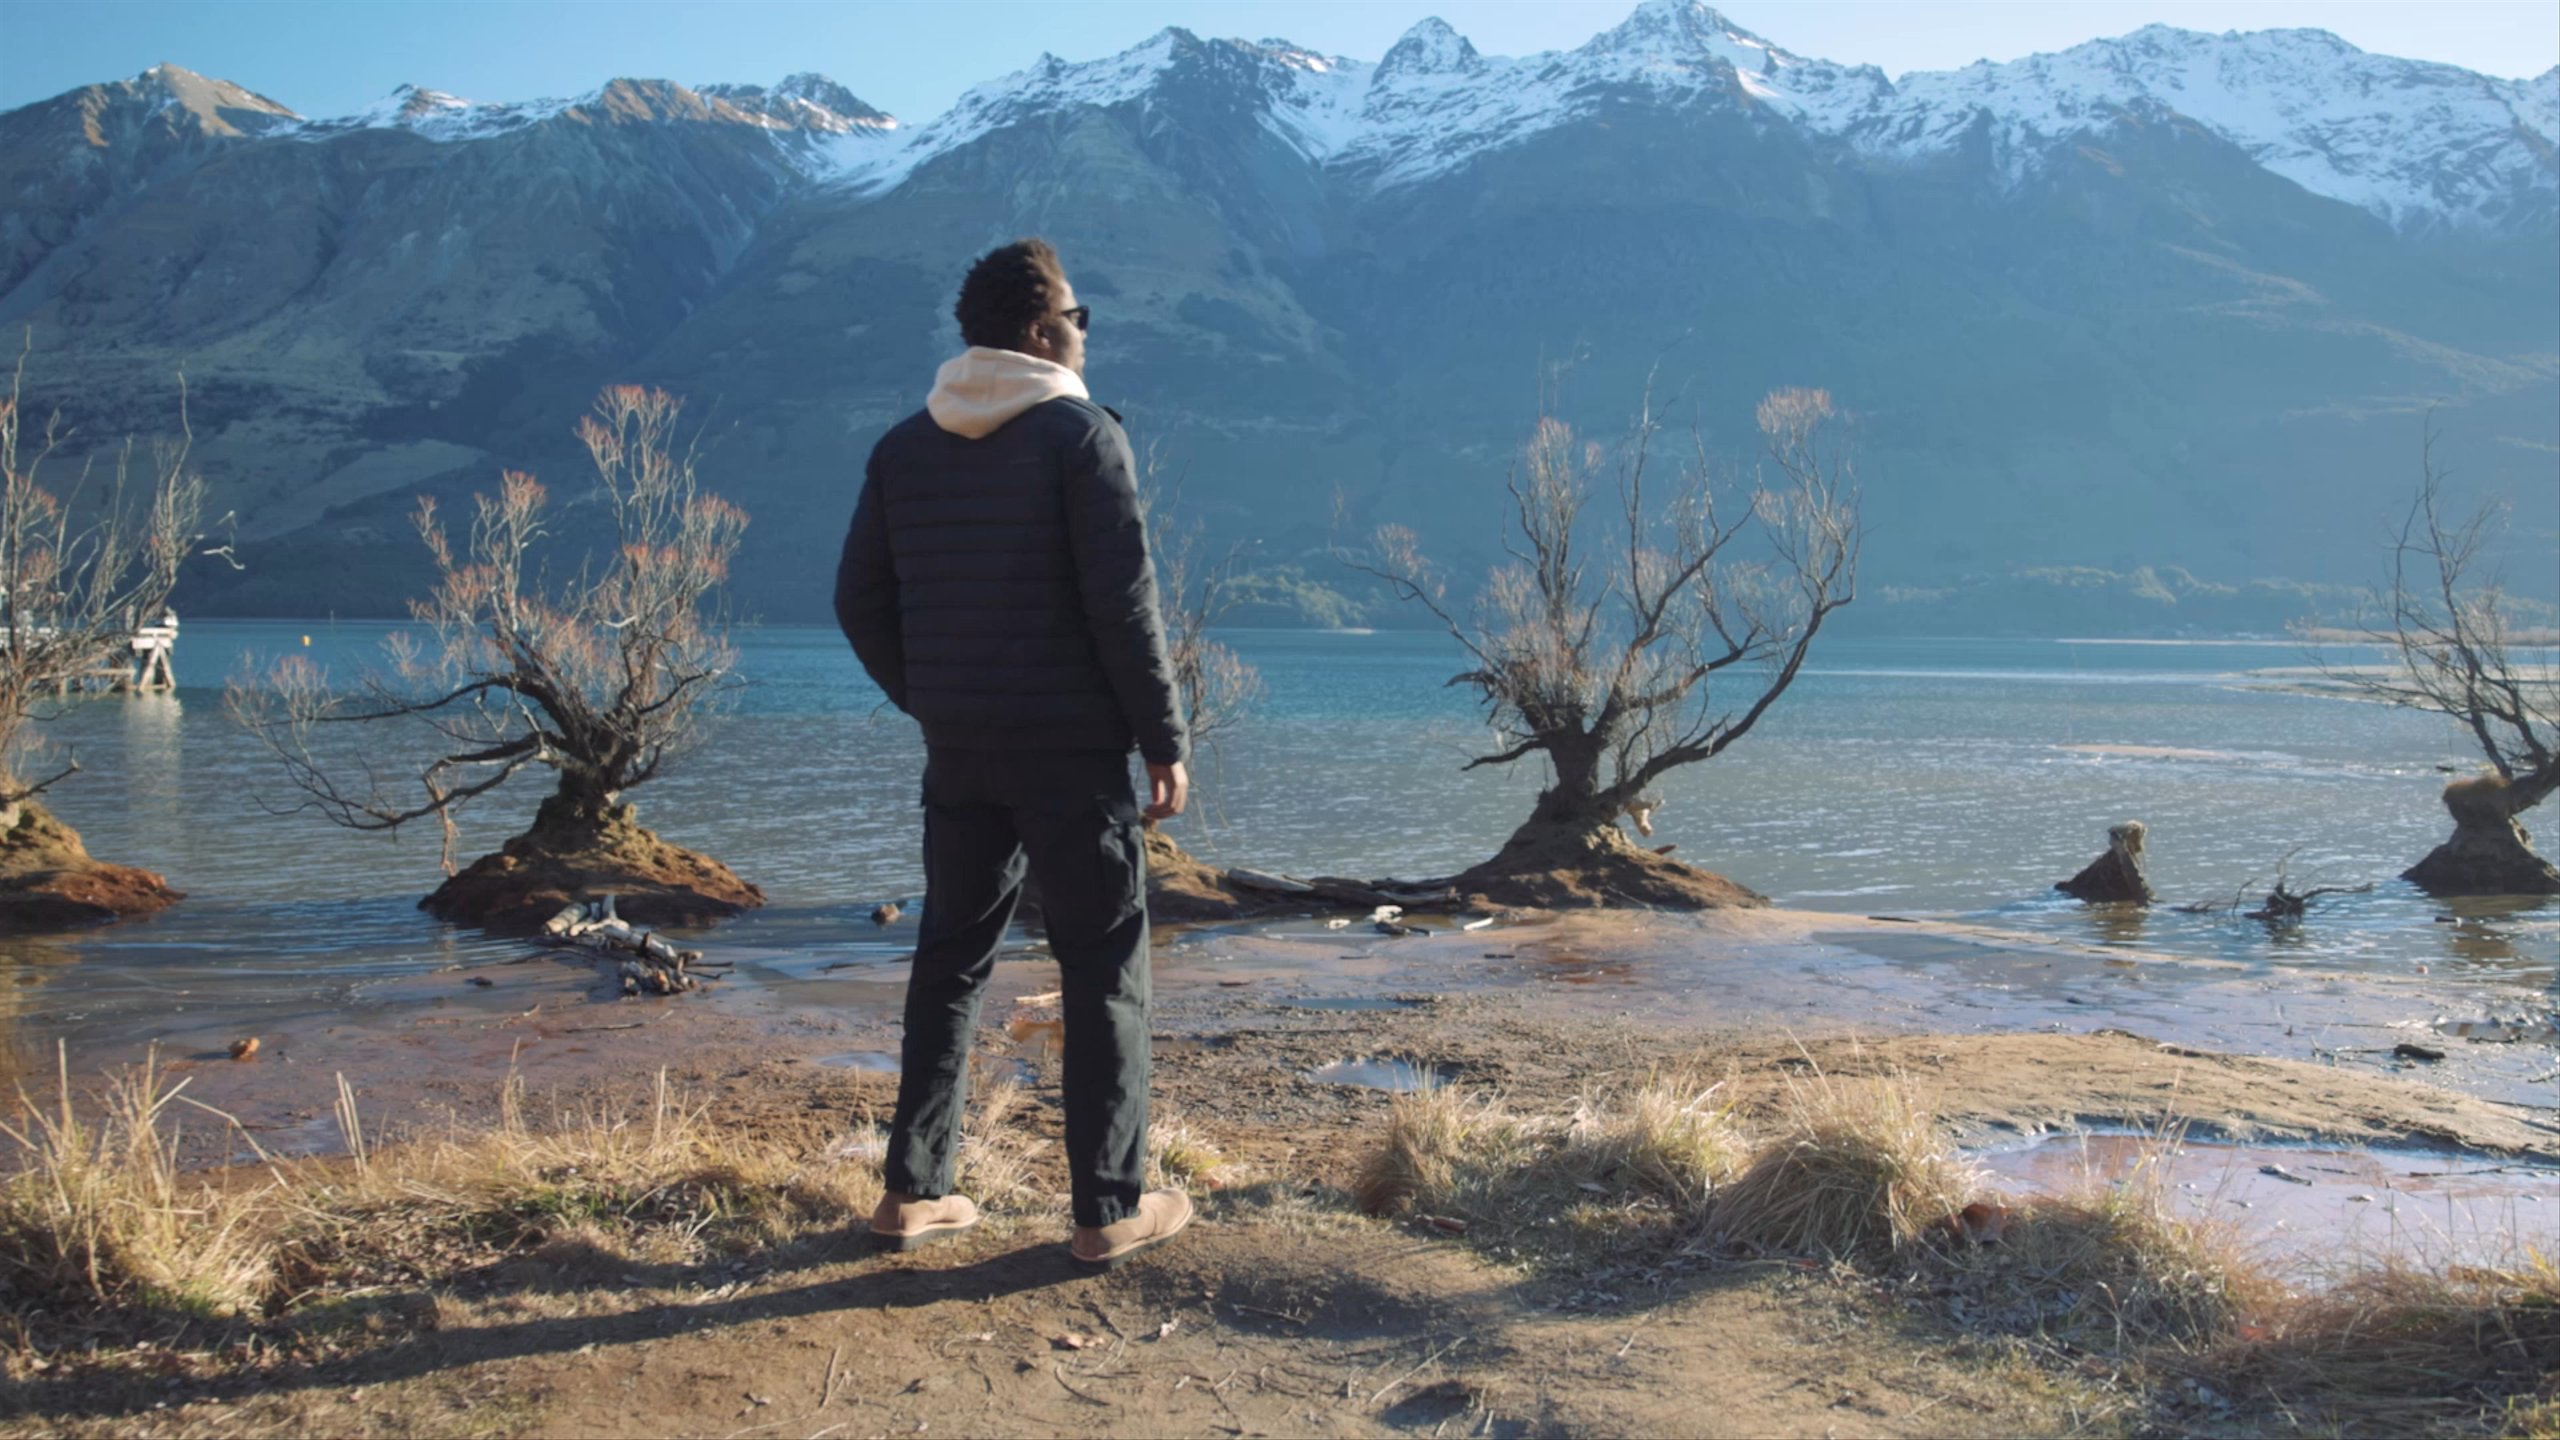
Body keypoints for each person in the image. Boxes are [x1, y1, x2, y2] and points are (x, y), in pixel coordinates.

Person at [834, 237, 1194, 1269]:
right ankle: (1109, 1207)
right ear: (1044, 331)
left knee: (949, 957)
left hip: (963, 748)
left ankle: (913, 1193)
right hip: (1073, 753)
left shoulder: (905, 447)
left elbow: (858, 601)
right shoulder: (1079, 437)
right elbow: (1123, 606)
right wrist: (1163, 739)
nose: (1086, 333)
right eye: (1079, 318)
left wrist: (934, 698)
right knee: (1103, 966)